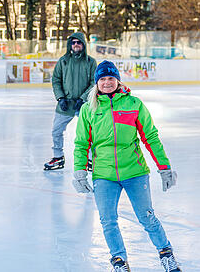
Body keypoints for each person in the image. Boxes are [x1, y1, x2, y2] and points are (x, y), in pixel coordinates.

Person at [72, 61, 181, 272]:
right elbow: (81, 143)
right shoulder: (88, 109)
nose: (106, 82)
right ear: (96, 83)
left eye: (110, 78)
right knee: (108, 221)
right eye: (102, 79)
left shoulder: (134, 104)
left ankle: (166, 254)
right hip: (103, 175)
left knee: (147, 217)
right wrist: (79, 171)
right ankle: (119, 261)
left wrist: (164, 167)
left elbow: (150, 137)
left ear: (117, 80)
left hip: (135, 172)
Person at [44, 32, 96, 171]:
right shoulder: (63, 61)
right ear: (70, 45)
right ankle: (58, 157)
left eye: (78, 42)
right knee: (56, 131)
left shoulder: (90, 62)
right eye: (73, 43)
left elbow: (94, 82)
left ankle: (90, 159)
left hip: (83, 104)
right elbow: (56, 80)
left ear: (83, 44)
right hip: (66, 103)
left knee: (88, 132)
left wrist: (83, 99)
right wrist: (60, 98)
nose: (76, 45)